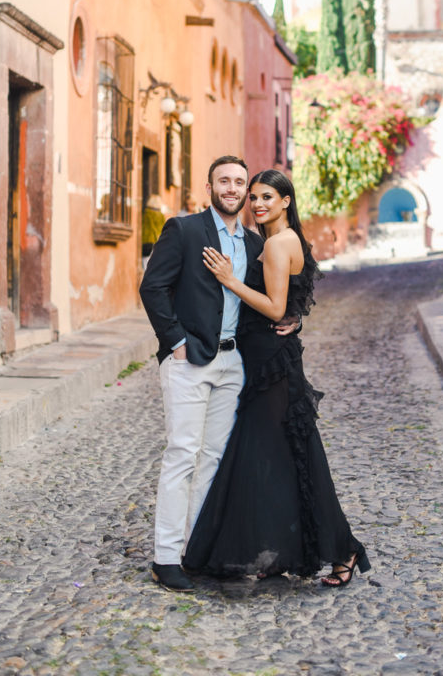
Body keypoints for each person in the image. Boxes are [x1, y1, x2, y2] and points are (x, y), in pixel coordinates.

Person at [183, 169, 370, 588]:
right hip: (270, 359)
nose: (258, 203)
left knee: (278, 455)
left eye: (267, 196)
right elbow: (289, 305)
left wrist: (231, 281)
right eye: (253, 197)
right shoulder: (285, 241)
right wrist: (293, 318)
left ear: (286, 200)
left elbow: (273, 306)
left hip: (270, 366)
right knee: (283, 458)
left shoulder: (279, 243)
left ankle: (344, 547)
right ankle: (289, 547)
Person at [139, 155, 296, 592]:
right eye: (223, 180)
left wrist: (294, 318)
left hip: (233, 363)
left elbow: (273, 295)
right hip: (190, 360)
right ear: (209, 187)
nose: (232, 188)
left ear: (247, 192)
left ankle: (197, 550)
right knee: (182, 454)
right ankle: (166, 557)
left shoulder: (251, 243)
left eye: (239, 183)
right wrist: (175, 342)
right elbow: (153, 287)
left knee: (212, 459)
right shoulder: (185, 230)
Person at [141, 195, 168, 269]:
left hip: (147, 241)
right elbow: (164, 228)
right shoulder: (161, 215)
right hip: (158, 242)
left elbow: (144, 227)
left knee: (145, 265)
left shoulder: (146, 213)